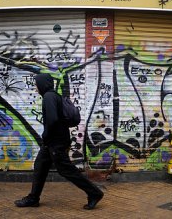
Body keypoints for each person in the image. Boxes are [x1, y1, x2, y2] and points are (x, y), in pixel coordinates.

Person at [14, 73, 104, 210]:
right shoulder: (53, 95)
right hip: (52, 142)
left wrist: (45, 134)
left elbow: (53, 119)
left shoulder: (49, 97)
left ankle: (94, 193)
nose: (35, 87)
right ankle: (33, 198)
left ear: (42, 84)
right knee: (40, 166)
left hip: (56, 142)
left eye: (36, 84)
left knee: (66, 170)